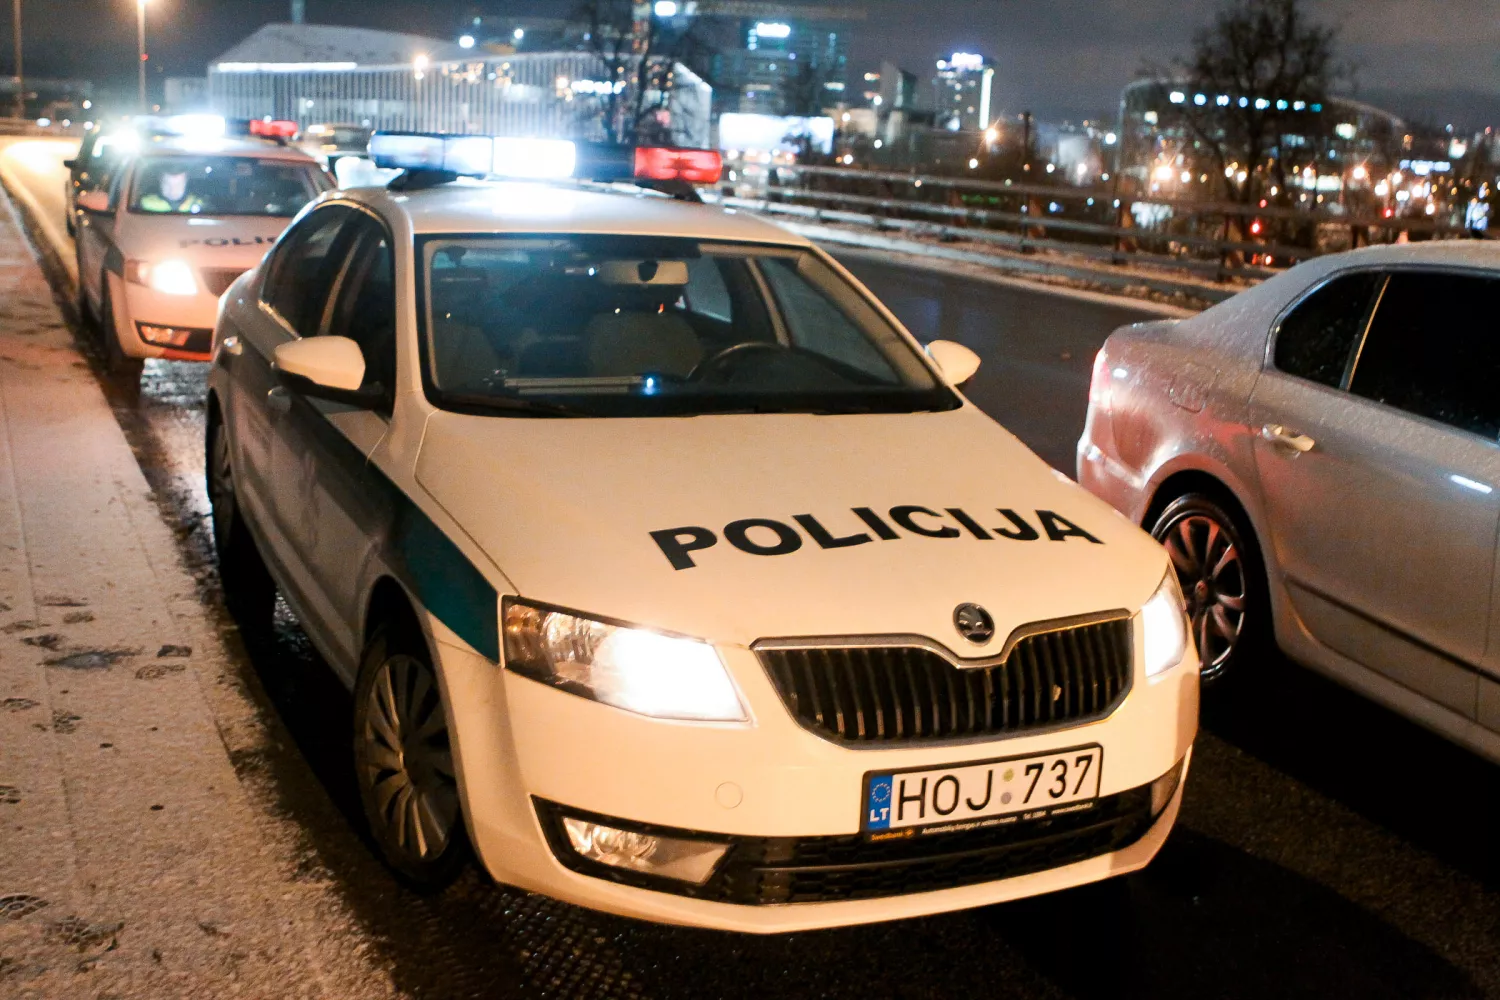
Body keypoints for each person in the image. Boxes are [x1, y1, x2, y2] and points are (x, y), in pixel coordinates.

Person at [138, 169, 204, 213]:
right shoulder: (144, 203)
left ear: (185, 183)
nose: (173, 190)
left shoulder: (198, 203)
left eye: (178, 185)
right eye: (167, 185)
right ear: (160, 183)